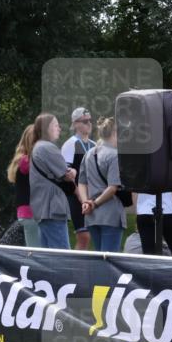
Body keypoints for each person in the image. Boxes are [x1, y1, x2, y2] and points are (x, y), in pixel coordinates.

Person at [78, 117, 126, 252]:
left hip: (92, 217)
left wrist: (85, 202)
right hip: (110, 214)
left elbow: (81, 183)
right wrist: (95, 204)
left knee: (99, 258)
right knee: (109, 260)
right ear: (115, 133)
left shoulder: (88, 154)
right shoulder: (114, 155)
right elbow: (112, 188)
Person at [29, 113, 75, 249]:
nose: (59, 128)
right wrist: (74, 171)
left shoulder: (37, 147)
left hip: (43, 209)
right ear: (46, 129)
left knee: (48, 255)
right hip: (52, 209)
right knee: (62, 255)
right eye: (55, 125)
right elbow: (67, 175)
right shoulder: (47, 147)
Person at [61, 107, 96, 250]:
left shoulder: (94, 145)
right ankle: (74, 270)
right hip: (76, 196)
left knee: (93, 235)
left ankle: (87, 269)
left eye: (90, 120)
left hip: (92, 196)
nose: (88, 123)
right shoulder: (71, 144)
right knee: (83, 237)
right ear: (75, 124)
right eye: (84, 121)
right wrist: (80, 196)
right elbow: (67, 176)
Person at [6, 124, 40, 247]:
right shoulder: (27, 161)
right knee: (37, 252)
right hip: (32, 212)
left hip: (25, 212)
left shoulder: (21, 159)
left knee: (34, 249)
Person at [135, 189, 172, 256]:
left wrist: (138, 213)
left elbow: (134, 192)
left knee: (149, 253)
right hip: (168, 211)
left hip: (144, 211)